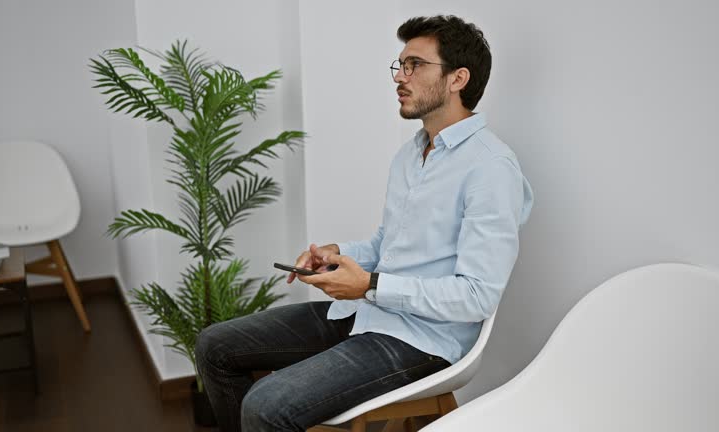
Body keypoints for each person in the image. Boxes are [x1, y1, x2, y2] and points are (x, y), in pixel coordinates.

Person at [195, 15, 534, 432]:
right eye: (400, 66)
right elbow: (387, 243)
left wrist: (371, 285)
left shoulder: (491, 168)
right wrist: (339, 255)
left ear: (457, 78)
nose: (400, 77)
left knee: (265, 405)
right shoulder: (411, 154)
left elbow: (477, 296)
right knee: (215, 346)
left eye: (415, 65)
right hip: (369, 312)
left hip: (425, 341)